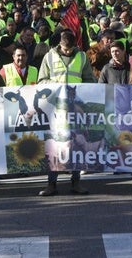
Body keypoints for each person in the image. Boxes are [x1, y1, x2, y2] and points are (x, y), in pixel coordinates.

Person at [36, 29, 95, 196]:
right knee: (55, 144)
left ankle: (76, 182)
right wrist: (57, 85)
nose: (67, 52)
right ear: (59, 45)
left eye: (70, 49)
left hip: (75, 108)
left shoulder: (82, 57)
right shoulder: (49, 56)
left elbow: (89, 79)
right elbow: (42, 80)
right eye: (65, 49)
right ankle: (51, 184)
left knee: (76, 144)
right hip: (56, 109)